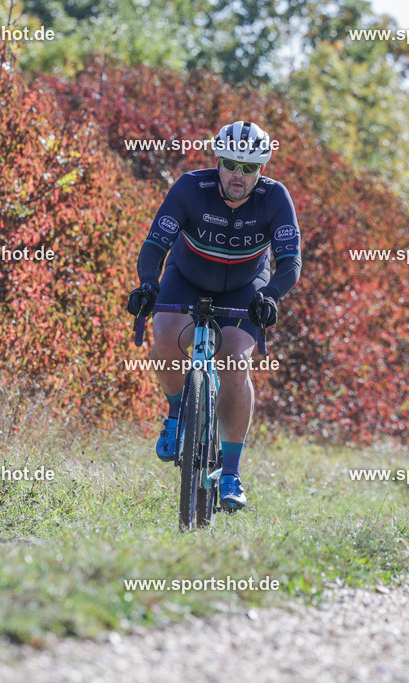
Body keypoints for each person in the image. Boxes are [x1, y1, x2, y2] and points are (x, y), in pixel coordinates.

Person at [126, 121, 302, 510]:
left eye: (249, 168)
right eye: (230, 164)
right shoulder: (191, 187)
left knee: (236, 359)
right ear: (217, 161)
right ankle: (175, 414)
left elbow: (290, 263)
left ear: (262, 169)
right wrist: (147, 283)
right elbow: (156, 243)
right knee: (166, 338)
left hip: (246, 284)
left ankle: (232, 473)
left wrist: (271, 296)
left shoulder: (275, 198)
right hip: (186, 277)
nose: (238, 175)